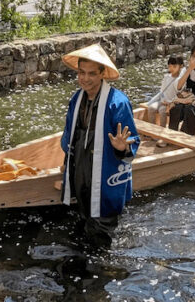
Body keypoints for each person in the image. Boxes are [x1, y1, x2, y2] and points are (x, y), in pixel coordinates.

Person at [60, 44, 140, 247]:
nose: (85, 78)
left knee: (102, 227)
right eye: (81, 72)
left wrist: (121, 148)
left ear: (102, 74)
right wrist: (66, 163)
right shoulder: (76, 99)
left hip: (106, 168)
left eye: (91, 74)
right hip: (81, 165)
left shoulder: (118, 103)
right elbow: (69, 135)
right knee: (84, 216)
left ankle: (102, 269)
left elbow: (133, 142)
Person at [145, 55, 184, 126]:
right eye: (170, 66)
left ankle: (162, 131)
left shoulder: (181, 80)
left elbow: (180, 95)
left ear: (180, 66)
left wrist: (169, 103)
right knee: (151, 108)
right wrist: (162, 101)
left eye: (174, 66)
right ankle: (152, 129)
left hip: (172, 104)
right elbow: (162, 91)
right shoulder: (166, 77)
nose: (171, 69)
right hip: (163, 101)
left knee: (162, 110)